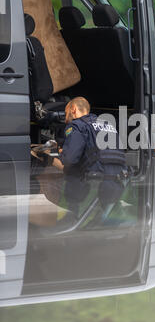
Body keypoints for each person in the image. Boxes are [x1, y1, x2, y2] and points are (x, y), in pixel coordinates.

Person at [35, 96, 127, 227]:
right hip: (117, 184)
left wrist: (47, 156)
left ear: (73, 110)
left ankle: (59, 226)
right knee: (92, 223)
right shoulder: (107, 124)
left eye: (67, 114)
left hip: (91, 185)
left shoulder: (76, 126)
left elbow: (69, 160)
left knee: (61, 175)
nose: (66, 119)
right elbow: (97, 151)